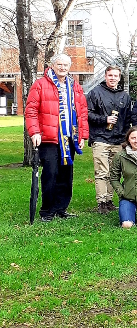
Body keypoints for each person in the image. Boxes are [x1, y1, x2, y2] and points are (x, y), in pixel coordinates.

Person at [25, 53, 89, 222]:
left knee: (66, 175)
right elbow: (31, 111)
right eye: (59, 64)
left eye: (66, 65)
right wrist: (35, 132)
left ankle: (61, 208)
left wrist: (82, 135)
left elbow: (82, 112)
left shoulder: (74, 86)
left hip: (69, 138)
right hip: (49, 138)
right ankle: (47, 211)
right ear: (52, 66)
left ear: (70, 67)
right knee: (50, 174)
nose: (63, 68)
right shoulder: (40, 85)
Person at [86, 66, 132, 214]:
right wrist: (104, 119)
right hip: (100, 138)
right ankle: (101, 201)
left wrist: (126, 139)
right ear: (105, 76)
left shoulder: (124, 96)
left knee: (114, 172)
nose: (113, 78)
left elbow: (127, 119)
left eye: (115, 76)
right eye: (110, 75)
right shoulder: (95, 93)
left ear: (119, 78)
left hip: (118, 140)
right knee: (101, 171)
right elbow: (87, 114)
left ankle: (109, 201)